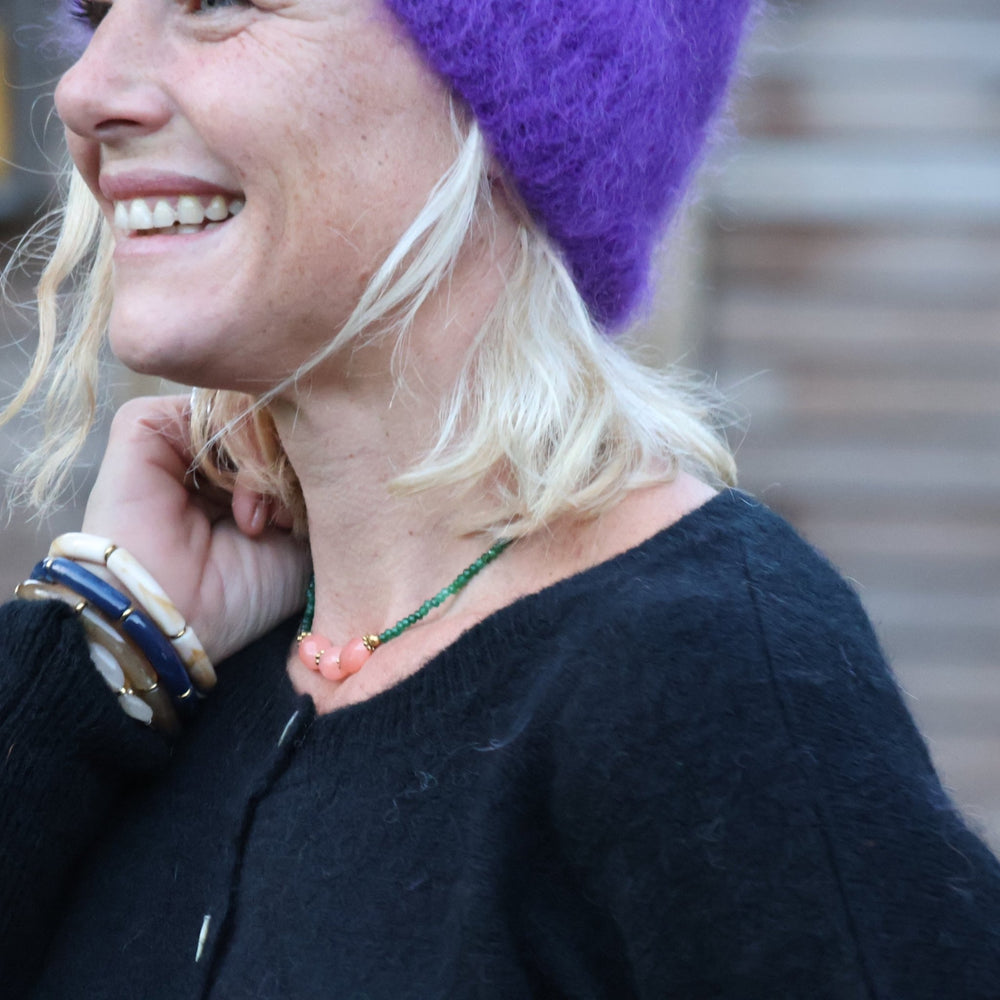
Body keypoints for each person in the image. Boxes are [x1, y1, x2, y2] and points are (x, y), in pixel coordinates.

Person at [2, 0, 999, 996]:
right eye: (97, 9)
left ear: (514, 96)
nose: (84, 89)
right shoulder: (147, 678)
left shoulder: (713, 676)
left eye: (217, 1)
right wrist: (109, 644)